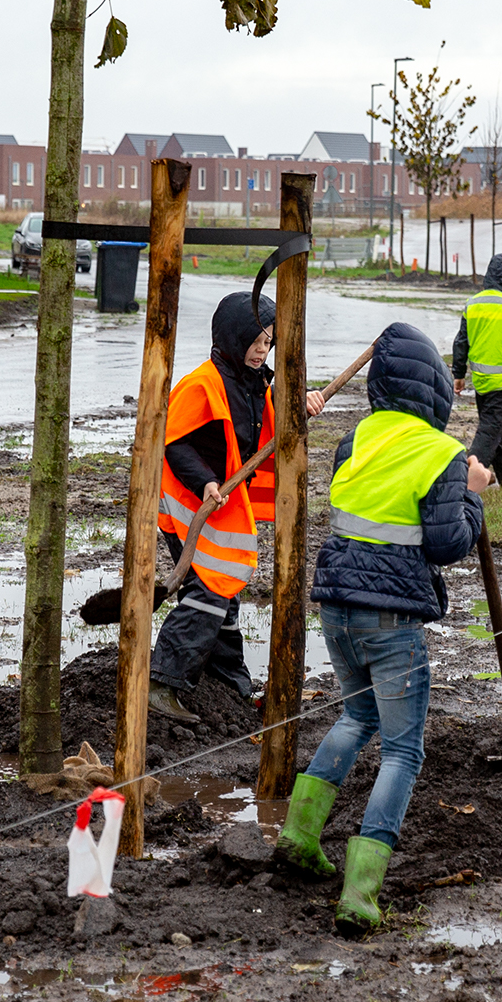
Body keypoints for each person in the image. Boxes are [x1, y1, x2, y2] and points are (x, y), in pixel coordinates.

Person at [273, 322, 491, 933]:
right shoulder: (441, 452)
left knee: (357, 716)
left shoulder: (354, 440)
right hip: (392, 619)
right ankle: (361, 892)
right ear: (436, 395)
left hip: (336, 608)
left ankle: (298, 833)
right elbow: (448, 544)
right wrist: (473, 492)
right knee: (402, 748)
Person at [149, 290, 324, 721]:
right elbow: (173, 443)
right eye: (256, 342)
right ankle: (161, 681)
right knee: (210, 590)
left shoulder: (254, 382)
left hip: (218, 499)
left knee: (223, 594)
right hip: (189, 501)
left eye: (269, 343)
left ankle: (231, 682)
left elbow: (273, 412)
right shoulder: (203, 383)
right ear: (233, 338)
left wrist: (302, 403)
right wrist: (206, 481)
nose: (263, 352)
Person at [449, 252, 502, 487]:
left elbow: (460, 342)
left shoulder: (472, 304)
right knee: (490, 428)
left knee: (496, 426)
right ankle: (469, 469)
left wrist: (459, 375)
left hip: (480, 379)